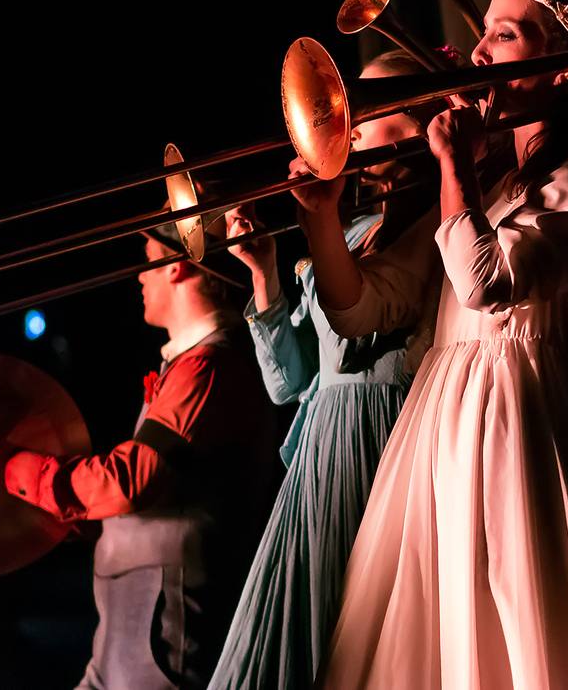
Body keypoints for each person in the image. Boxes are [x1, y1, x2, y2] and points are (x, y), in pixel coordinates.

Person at [306, 0, 568, 688]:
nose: (477, 55)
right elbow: (361, 307)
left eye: (503, 34)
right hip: (443, 430)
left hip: (518, 433)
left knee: (523, 637)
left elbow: (485, 281)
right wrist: (319, 213)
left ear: (566, 71)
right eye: (482, 35)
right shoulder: (492, 182)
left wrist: (453, 166)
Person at [0, 215, 280, 690]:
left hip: (159, 644)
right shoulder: (189, 365)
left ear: (177, 268)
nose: (140, 276)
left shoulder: (210, 366)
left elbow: (132, 481)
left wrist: (13, 467)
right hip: (128, 639)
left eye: (149, 262)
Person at [208, 49, 441, 689]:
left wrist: (320, 219)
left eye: (370, 108)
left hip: (381, 440)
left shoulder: (434, 226)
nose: (350, 121)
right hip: (320, 451)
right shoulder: (356, 226)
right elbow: (290, 385)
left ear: (423, 126)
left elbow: (365, 320)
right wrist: (263, 274)